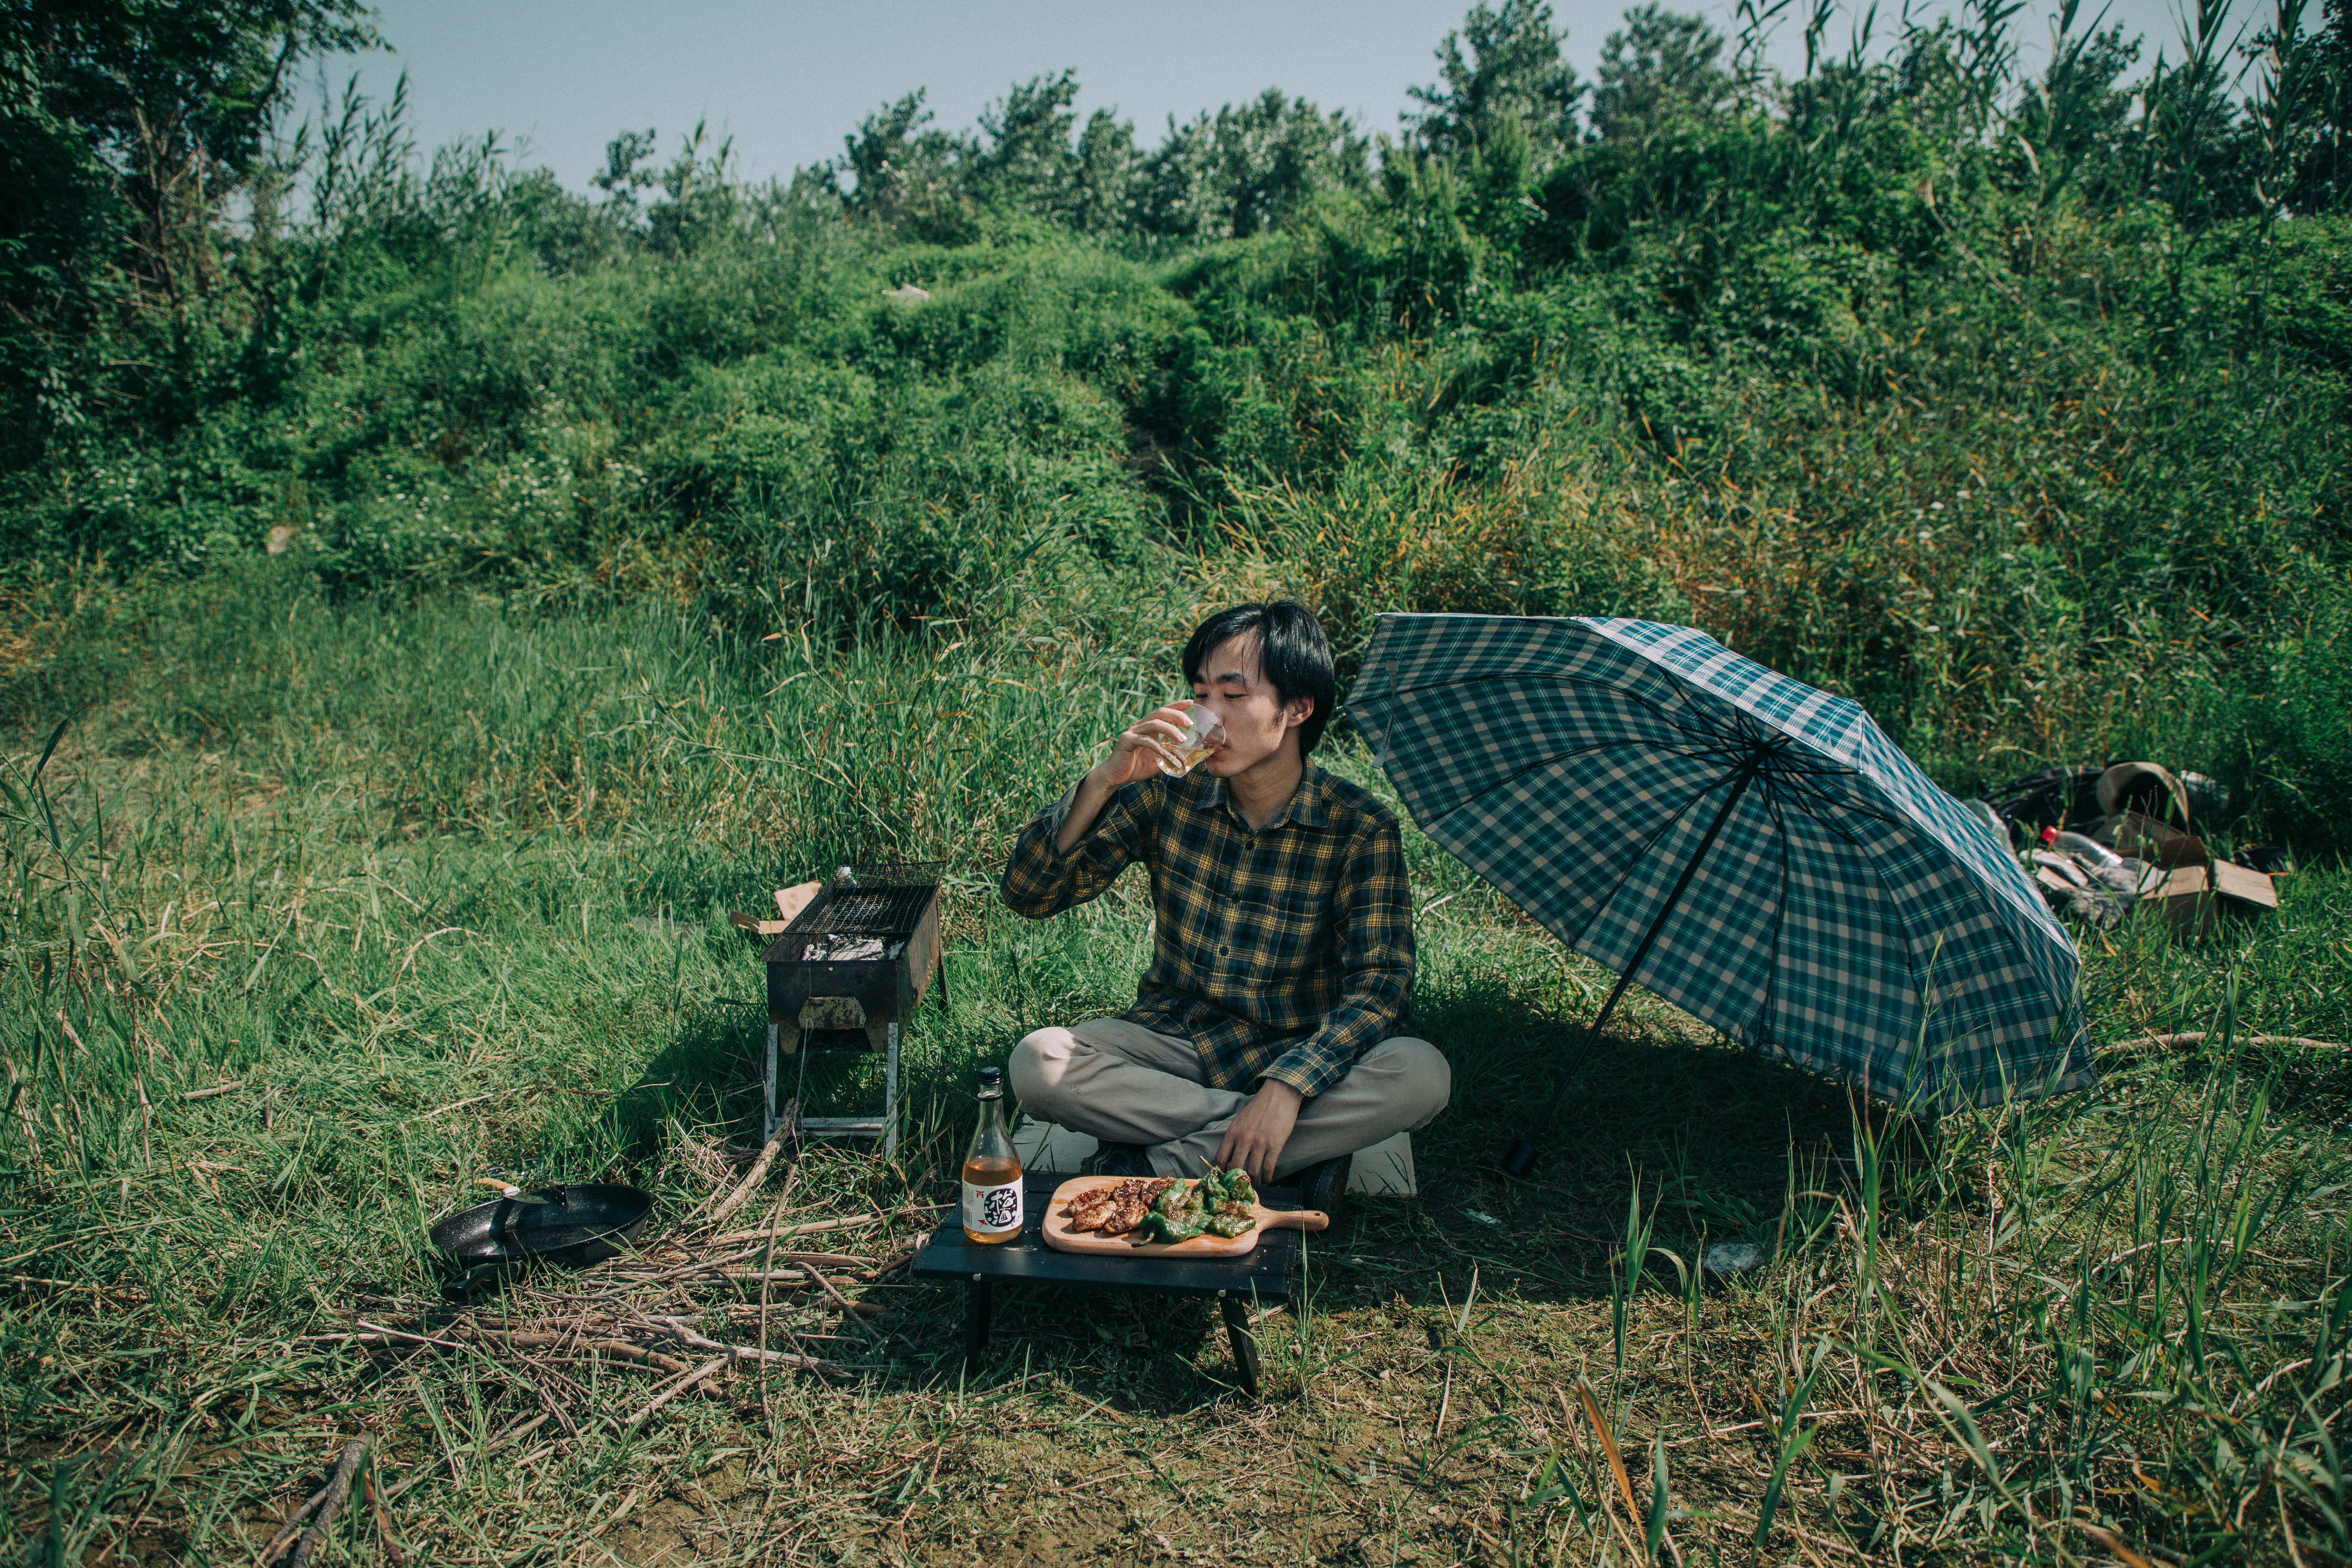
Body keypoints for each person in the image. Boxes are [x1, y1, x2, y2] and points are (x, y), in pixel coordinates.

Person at [1000, 602, 1450, 1214]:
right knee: (1038, 1062)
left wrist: (1289, 1086)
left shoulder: (1359, 827)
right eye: (1201, 694)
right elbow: (1031, 895)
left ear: (1296, 708)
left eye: (1233, 696)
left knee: (1422, 1074)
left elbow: (1382, 984)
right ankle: (1280, 1152)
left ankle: (1153, 1164)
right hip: (1173, 1043)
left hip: (1296, 1049)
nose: (1208, 717)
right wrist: (1105, 781)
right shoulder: (1167, 789)